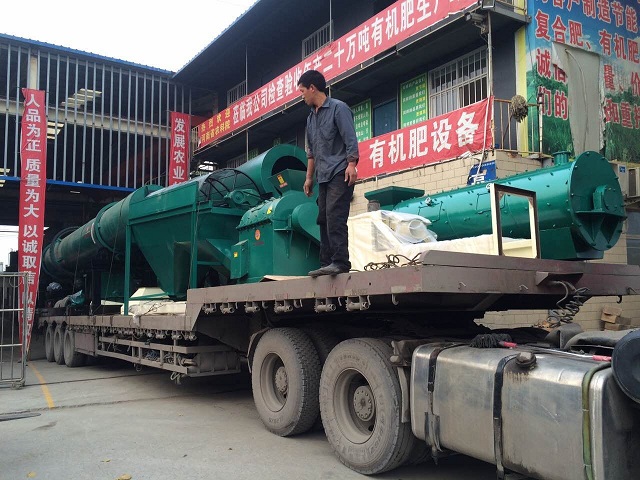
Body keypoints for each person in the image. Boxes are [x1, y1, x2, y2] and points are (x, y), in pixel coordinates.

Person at [297, 70, 359, 277]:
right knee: (322, 218)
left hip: (340, 172)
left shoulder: (339, 108)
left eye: (302, 91)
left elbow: (350, 138)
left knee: (335, 216)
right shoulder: (310, 119)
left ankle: (340, 262)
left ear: (312, 88)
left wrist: (352, 164)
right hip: (322, 176)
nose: (301, 96)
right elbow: (311, 152)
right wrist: (309, 178)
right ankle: (327, 263)